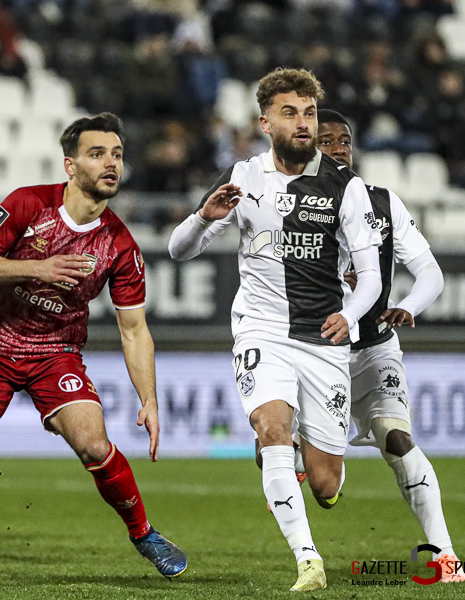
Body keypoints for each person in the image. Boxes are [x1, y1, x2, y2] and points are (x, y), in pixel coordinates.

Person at [0, 113, 186, 589]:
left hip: (54, 352)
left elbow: (134, 329)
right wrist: (36, 267)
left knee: (95, 444)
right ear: (70, 166)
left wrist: (150, 399)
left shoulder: (119, 243)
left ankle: (144, 534)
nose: (111, 164)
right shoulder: (27, 204)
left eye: (117, 155)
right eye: (97, 154)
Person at [168, 68, 383, 592]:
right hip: (261, 330)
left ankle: (307, 457)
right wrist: (203, 217)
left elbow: (372, 277)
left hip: (323, 340)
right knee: (271, 429)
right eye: (291, 112)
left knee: (328, 482)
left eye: (309, 112)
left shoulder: (346, 187)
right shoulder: (244, 177)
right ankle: (308, 560)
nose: (304, 123)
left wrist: (350, 316)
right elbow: (179, 250)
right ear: (265, 122)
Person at [317, 108, 465, 583]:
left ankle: (444, 556)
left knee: (397, 437)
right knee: (316, 480)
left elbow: (430, 272)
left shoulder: (383, 203)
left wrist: (409, 305)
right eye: (325, 141)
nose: (338, 148)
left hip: (377, 346)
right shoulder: (292, 208)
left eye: (344, 140)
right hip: (319, 355)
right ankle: (306, 464)